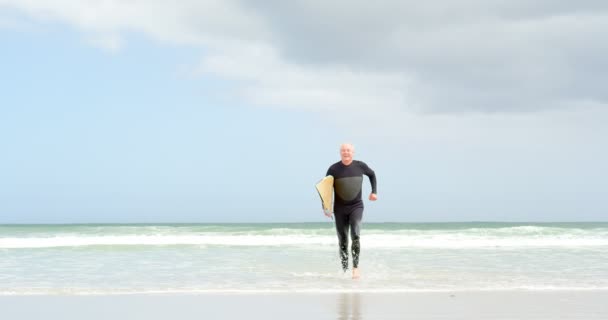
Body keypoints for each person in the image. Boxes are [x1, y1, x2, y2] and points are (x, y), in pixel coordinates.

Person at [324, 143, 377, 279]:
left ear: (353, 152)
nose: (345, 152)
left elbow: (372, 174)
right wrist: (326, 206)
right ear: (340, 152)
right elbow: (326, 189)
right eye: (343, 150)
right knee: (343, 241)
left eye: (348, 150)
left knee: (355, 235)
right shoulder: (333, 169)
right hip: (339, 209)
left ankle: (355, 268)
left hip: (356, 206)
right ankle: (344, 270)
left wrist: (374, 192)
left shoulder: (360, 166)